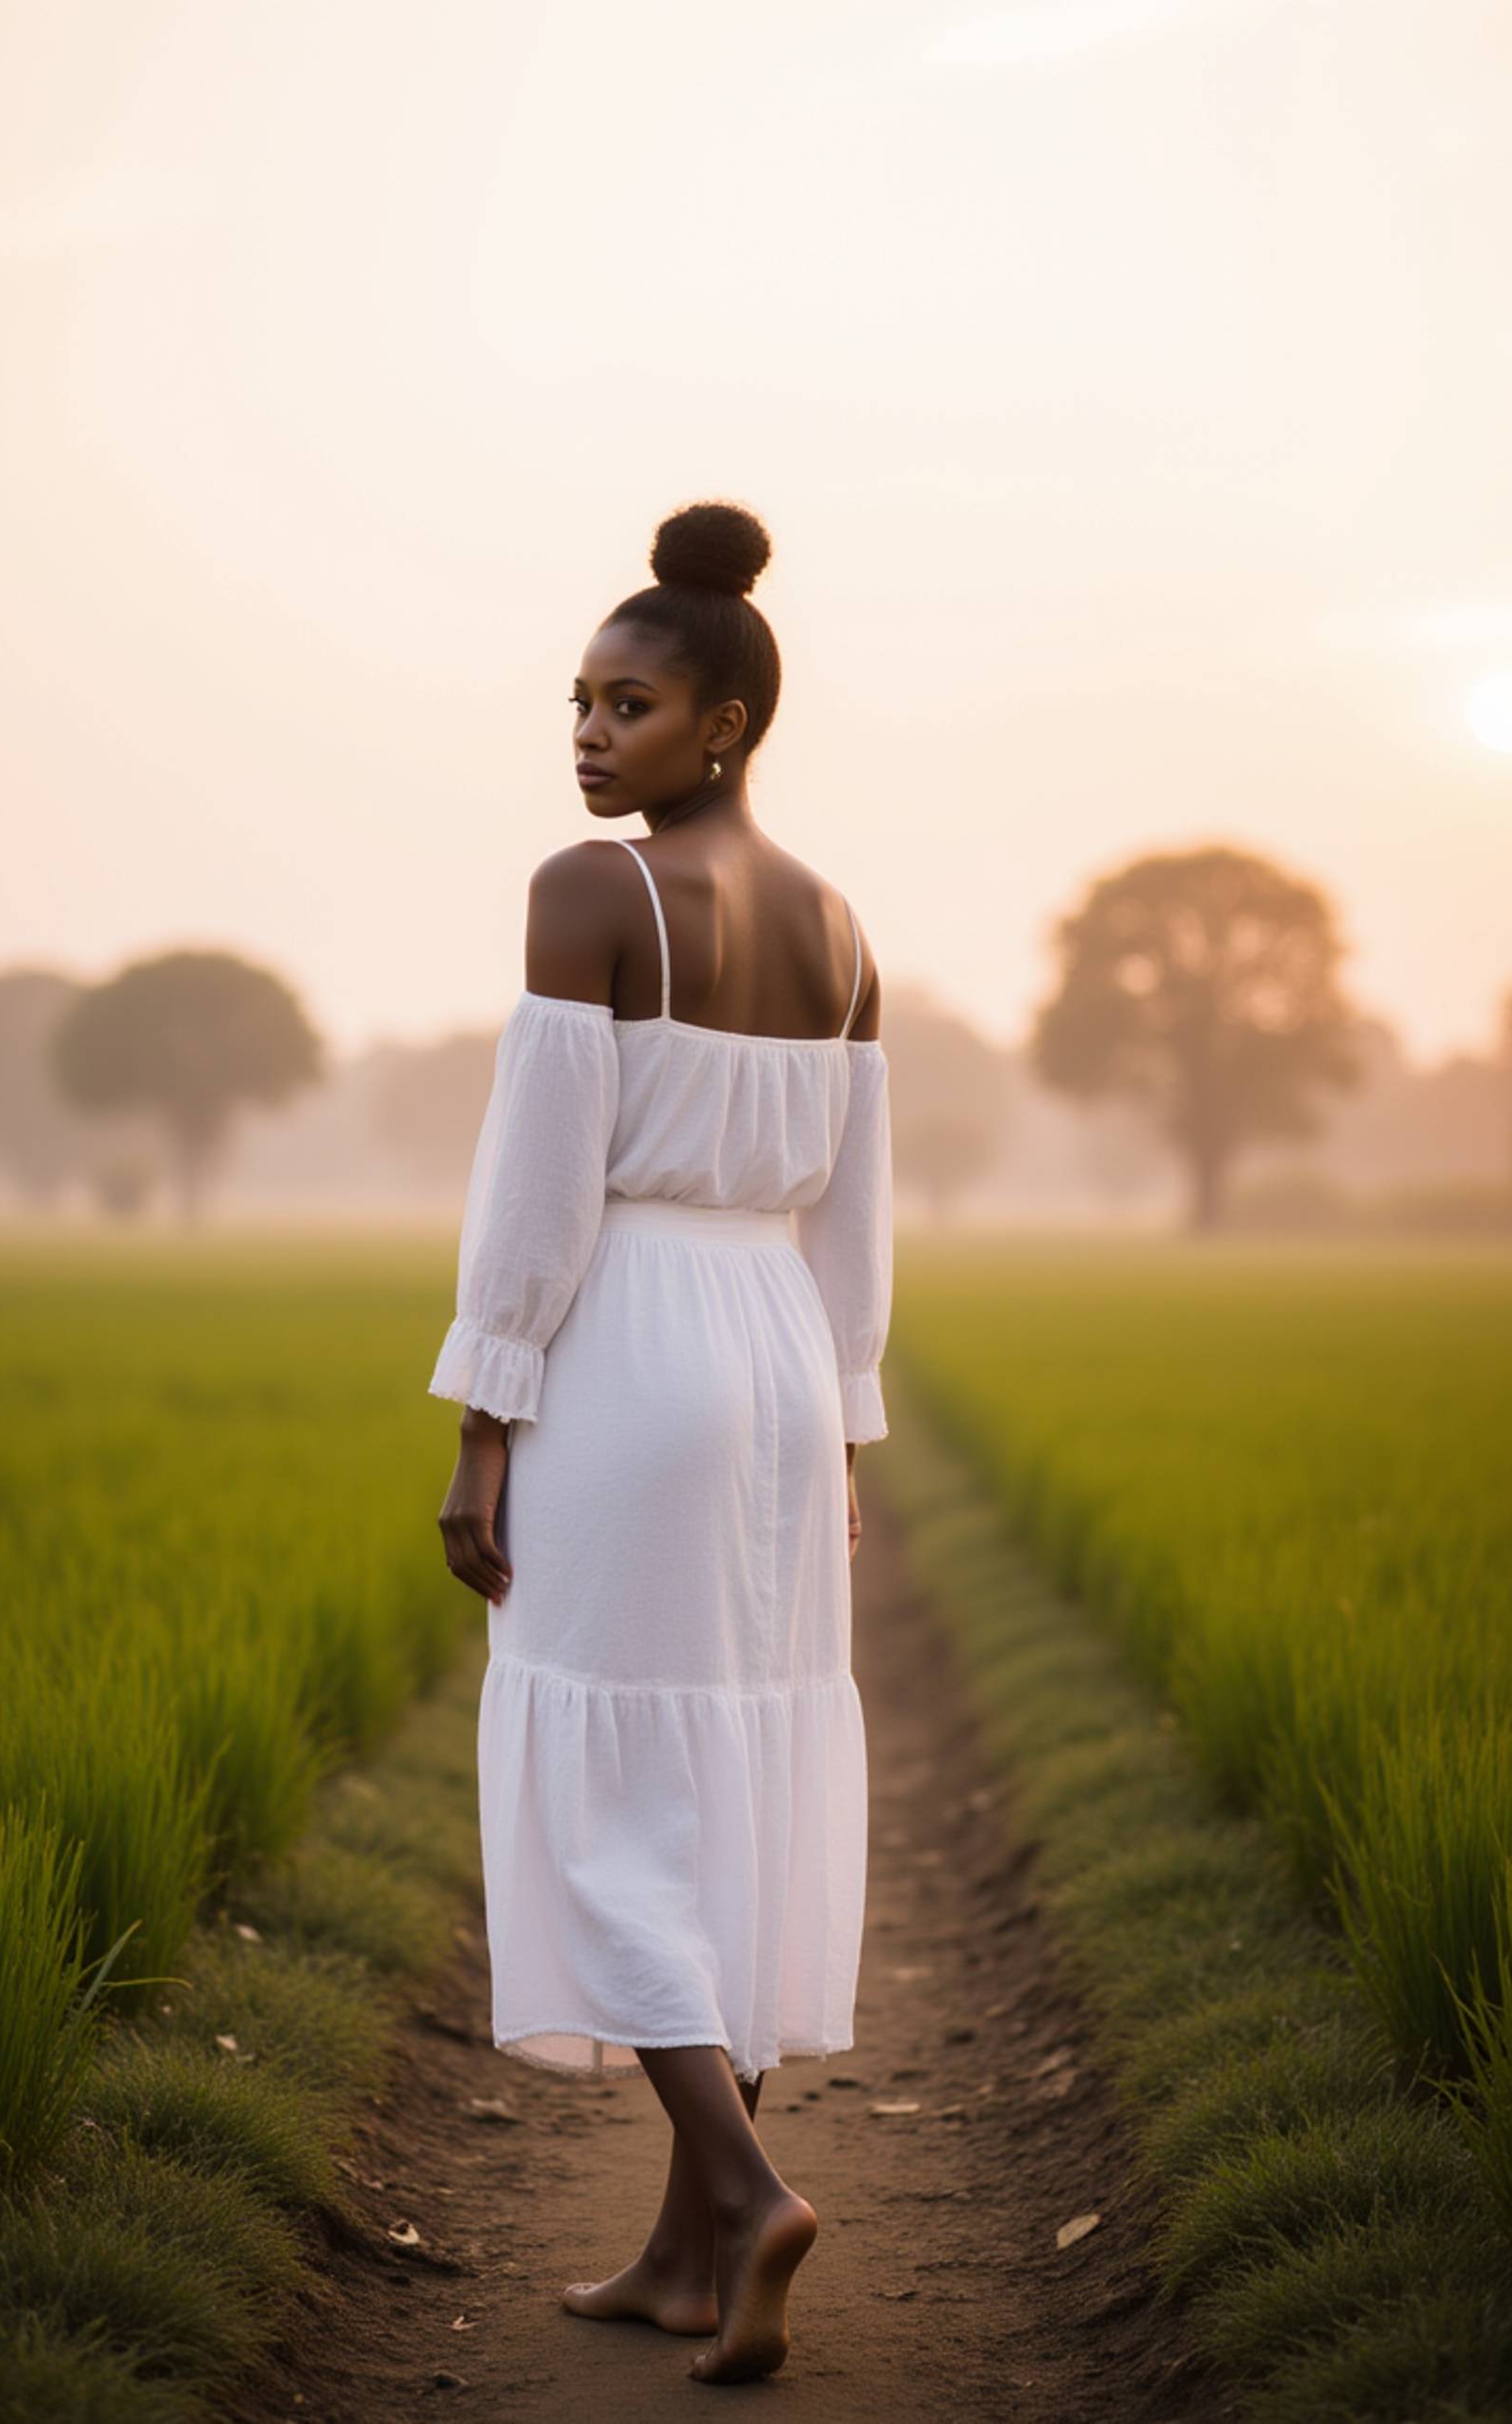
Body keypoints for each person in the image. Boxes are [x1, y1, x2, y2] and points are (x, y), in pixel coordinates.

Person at [430, 498, 893, 2386]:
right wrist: (841, 1429)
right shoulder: (842, 926)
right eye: (578, 700)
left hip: (629, 1351)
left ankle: (748, 2182)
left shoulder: (588, 893)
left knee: (601, 1779)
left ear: (725, 722)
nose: (589, 733)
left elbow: (537, 1194)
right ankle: (687, 2247)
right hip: (777, 1355)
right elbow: (857, 1214)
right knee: (735, 1778)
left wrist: (483, 1425)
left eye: (628, 703)